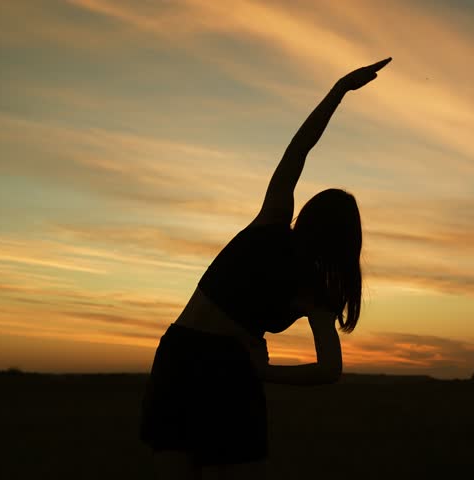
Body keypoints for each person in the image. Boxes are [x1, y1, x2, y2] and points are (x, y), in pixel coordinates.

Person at [139, 57, 392, 479]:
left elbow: (299, 149)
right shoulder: (316, 289)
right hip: (224, 368)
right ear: (349, 243)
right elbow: (330, 371)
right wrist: (265, 374)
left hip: (182, 355)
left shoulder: (273, 224)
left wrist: (339, 90)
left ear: (308, 215)